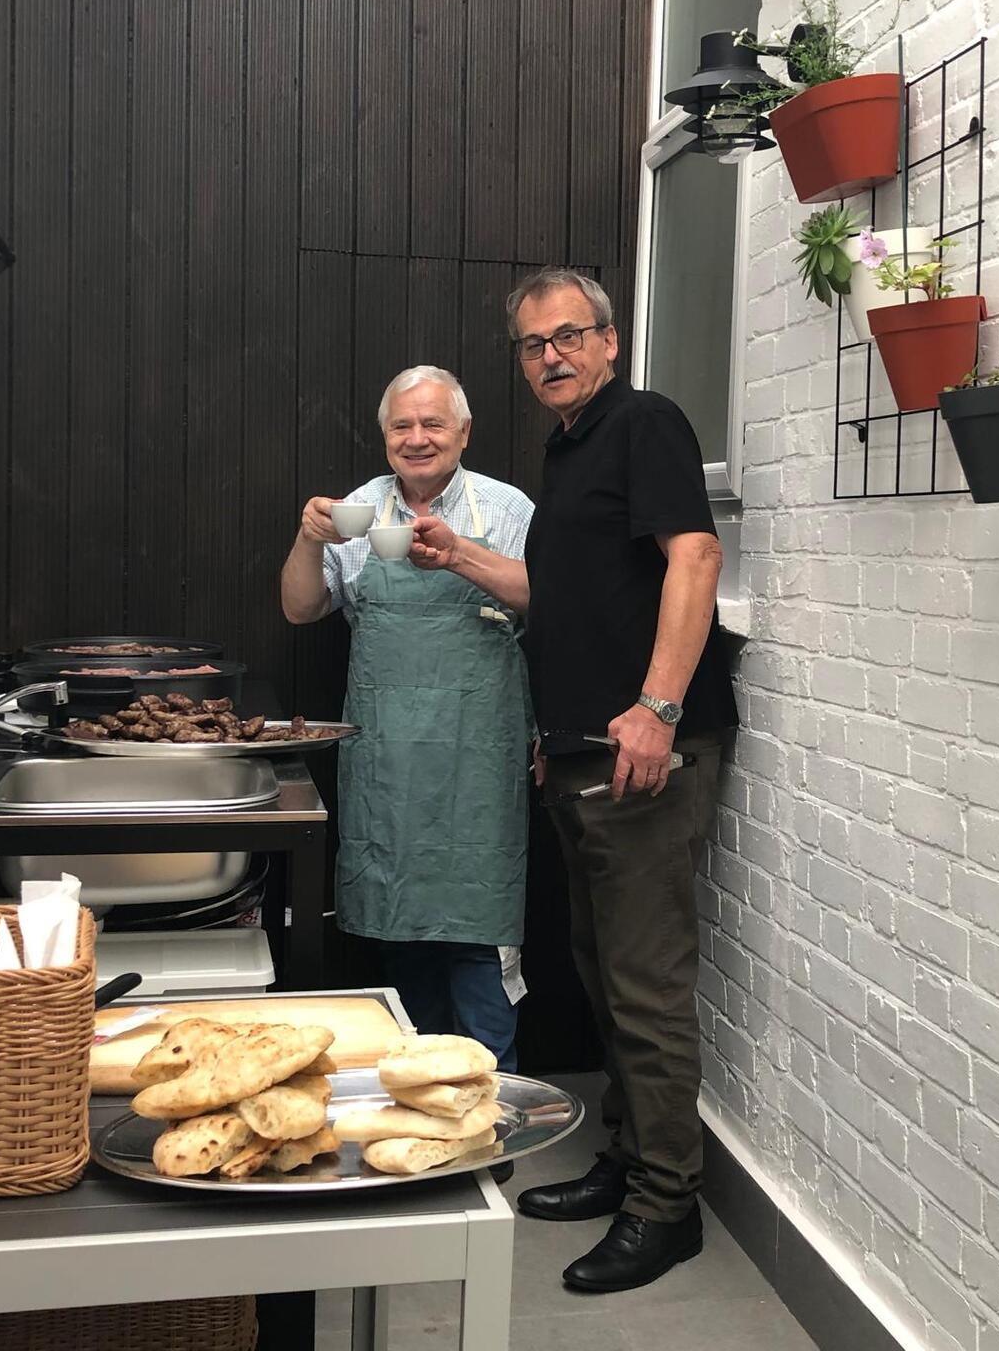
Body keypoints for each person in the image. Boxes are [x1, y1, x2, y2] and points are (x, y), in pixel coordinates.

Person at [409, 269, 738, 1293]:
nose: (551, 355)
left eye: (568, 335)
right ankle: (630, 1160)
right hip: (587, 753)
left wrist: (659, 707)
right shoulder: (571, 450)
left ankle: (668, 1205)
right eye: (532, 344)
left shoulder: (644, 422)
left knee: (646, 987)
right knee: (601, 974)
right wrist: (460, 555)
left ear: (608, 340)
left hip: (647, 750)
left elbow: (695, 556)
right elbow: (553, 596)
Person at [280, 365, 535, 1074]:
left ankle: (493, 1106)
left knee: (480, 940)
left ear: (464, 433)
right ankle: (412, 1094)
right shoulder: (360, 508)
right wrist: (308, 538)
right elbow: (300, 608)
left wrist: (460, 556)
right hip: (387, 763)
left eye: (433, 423)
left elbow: (544, 598)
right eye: (402, 425)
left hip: (478, 763)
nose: (417, 438)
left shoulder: (506, 508)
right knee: (400, 937)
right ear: (385, 435)